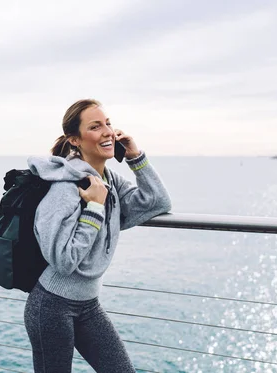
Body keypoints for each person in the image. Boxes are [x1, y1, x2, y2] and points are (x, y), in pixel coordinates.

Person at [24, 99, 172, 372]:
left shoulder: (110, 181)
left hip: (88, 305)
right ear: (75, 140)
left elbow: (158, 201)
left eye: (108, 124)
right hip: (52, 307)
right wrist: (94, 208)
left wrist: (135, 157)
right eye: (95, 126)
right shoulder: (65, 188)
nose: (107, 132)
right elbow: (63, 261)